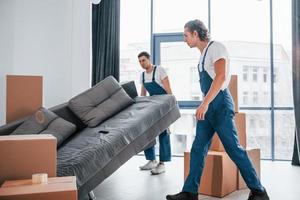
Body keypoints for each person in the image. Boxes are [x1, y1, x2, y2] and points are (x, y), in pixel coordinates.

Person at [166, 20, 269, 200]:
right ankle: (190, 192)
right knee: (198, 148)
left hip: (220, 105)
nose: (184, 39)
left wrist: (204, 104)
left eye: (186, 35)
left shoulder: (216, 48)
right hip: (209, 108)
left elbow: (220, 77)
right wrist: (206, 105)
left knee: (234, 149)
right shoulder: (202, 56)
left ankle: (259, 191)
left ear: (196, 34)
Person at [137, 51, 173, 175]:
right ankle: (152, 160)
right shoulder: (142, 75)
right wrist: (141, 109)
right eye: (140, 61)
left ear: (149, 59)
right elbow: (143, 95)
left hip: (163, 106)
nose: (142, 63)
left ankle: (162, 164)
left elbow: (169, 90)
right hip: (151, 107)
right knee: (148, 133)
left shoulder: (160, 70)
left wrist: (170, 109)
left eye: (143, 60)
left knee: (163, 133)